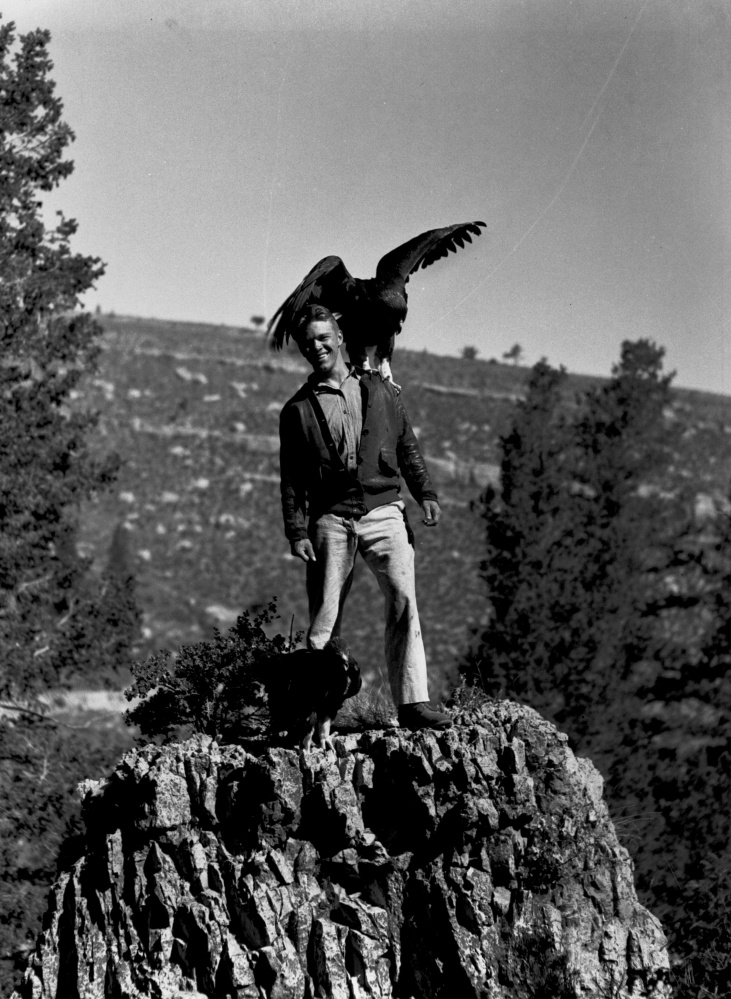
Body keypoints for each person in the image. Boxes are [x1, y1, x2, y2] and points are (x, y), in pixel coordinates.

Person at [278, 303, 451, 731]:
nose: (316, 347)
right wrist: (296, 530)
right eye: (308, 342)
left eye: (323, 338)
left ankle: (413, 704)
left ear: (339, 339)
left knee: (403, 602)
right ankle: (311, 712)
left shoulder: (382, 391)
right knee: (324, 618)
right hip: (330, 520)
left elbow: (406, 444)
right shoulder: (297, 409)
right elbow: (292, 478)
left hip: (384, 511)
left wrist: (424, 491)